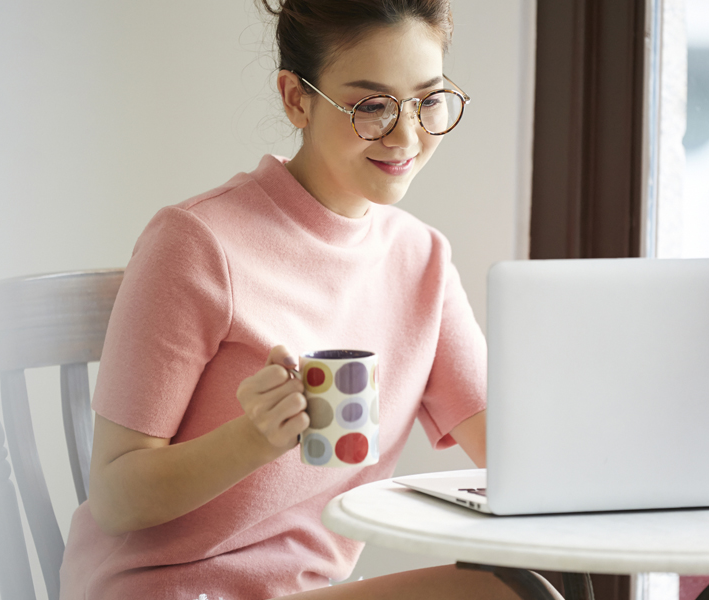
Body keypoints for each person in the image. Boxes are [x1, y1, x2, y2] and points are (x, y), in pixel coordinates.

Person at [59, 1, 560, 598]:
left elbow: (512, 456)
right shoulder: (196, 243)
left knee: (511, 591)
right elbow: (115, 498)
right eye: (371, 105)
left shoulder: (421, 260)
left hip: (306, 592)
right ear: (296, 98)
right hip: (167, 590)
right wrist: (254, 440)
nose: (406, 135)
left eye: (428, 101)